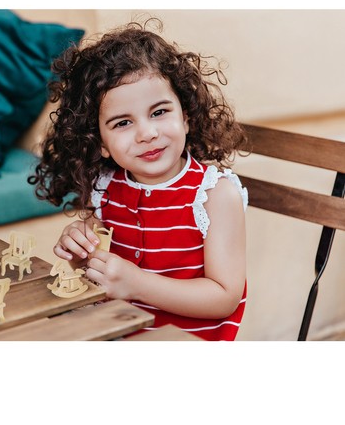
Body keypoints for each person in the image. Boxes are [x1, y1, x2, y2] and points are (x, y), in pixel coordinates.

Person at [29, 20, 248, 341]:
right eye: (122, 123)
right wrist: (81, 256)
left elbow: (224, 298)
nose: (147, 133)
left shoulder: (215, 194)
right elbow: (104, 278)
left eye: (159, 112)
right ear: (100, 142)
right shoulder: (105, 188)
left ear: (185, 117)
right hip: (119, 333)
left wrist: (136, 284)